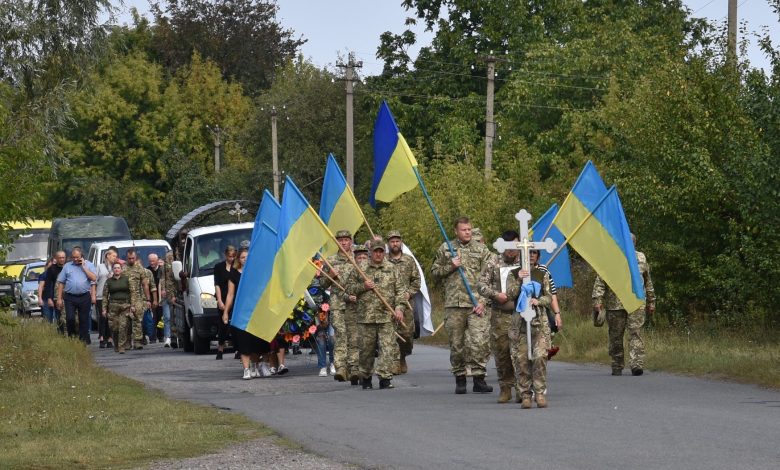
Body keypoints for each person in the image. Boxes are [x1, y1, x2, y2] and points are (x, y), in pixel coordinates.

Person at [431, 217, 493, 394]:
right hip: (455, 304)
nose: (468, 232)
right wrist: (450, 266)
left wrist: (483, 301)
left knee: (479, 342)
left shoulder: (481, 249)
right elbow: (435, 273)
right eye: (464, 229)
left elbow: (491, 276)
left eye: (469, 229)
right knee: (457, 344)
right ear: (456, 231)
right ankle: (460, 378)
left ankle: (479, 378)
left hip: (476, 303)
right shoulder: (446, 248)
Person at [345, 238, 406, 390]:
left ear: (384, 253)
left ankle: (385, 377)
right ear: (371, 253)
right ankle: (365, 377)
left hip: (386, 316)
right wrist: (363, 286)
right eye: (375, 251)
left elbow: (400, 292)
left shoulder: (392, 269)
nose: (378, 254)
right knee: (366, 350)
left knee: (387, 348)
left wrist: (399, 308)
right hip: (366, 317)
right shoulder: (361, 268)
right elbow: (348, 288)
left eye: (381, 251)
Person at [592, 233, 656, 376]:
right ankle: (617, 363)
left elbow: (647, 280)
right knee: (615, 336)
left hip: (636, 302)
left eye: (631, 242)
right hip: (616, 304)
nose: (629, 244)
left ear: (634, 243)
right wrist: (598, 301)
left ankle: (636, 364)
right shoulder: (610, 257)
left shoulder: (641, 258)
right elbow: (600, 281)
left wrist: (651, 301)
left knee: (635, 333)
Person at [477, 230, 520, 403]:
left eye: (514, 246)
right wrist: (495, 295)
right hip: (500, 315)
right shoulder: (493, 262)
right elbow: (480, 284)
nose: (511, 251)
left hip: (521, 314)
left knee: (520, 353)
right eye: (508, 246)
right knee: (502, 353)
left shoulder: (524, 261)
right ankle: (505, 387)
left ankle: (523, 388)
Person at [509, 259, 553, 409]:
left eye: (534, 252)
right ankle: (525, 394)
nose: (530, 255)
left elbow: (549, 297)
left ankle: (539, 393)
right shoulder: (513, 273)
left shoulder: (542, 274)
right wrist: (518, 279)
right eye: (528, 253)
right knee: (521, 360)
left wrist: (538, 300)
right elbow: (510, 294)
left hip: (539, 323)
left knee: (540, 356)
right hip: (520, 324)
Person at [319, 230, 359, 384]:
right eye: (340, 240)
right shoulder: (331, 260)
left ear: (351, 241)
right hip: (338, 304)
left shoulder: (358, 258)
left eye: (346, 240)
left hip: (355, 304)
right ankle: (341, 368)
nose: (343, 243)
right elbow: (322, 284)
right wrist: (331, 274)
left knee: (354, 337)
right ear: (337, 242)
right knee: (340, 336)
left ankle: (355, 368)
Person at [223, 247, 270, 380]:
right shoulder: (234, 274)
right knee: (243, 341)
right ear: (239, 259)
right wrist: (226, 312)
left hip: (256, 310)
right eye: (243, 257)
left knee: (257, 340)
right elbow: (230, 294)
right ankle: (246, 369)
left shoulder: (257, 272)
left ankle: (259, 365)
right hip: (240, 312)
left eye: (248, 257)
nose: (245, 259)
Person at [386, 230, 421, 375]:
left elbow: (416, 280)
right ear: (388, 243)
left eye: (397, 241)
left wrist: (409, 293)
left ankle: (402, 356)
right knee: (390, 334)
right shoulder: (383, 260)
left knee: (406, 335)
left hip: (406, 304)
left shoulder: (408, 260)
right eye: (392, 241)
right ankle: (394, 362)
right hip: (388, 303)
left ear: (401, 242)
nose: (395, 244)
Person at [55, 247, 97, 344]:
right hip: (70, 297)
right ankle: (72, 337)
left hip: (84, 296)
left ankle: (83, 340)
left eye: (77, 257)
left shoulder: (89, 265)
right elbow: (61, 282)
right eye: (73, 257)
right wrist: (59, 298)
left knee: (83, 319)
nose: (75, 259)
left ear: (81, 256)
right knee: (70, 318)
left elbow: (94, 278)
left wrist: (84, 267)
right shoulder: (67, 266)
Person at [102, 262, 135, 354]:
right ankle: (116, 345)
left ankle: (121, 346)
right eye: (115, 268)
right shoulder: (108, 281)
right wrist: (104, 309)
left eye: (118, 268)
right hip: (113, 306)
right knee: (114, 328)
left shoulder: (126, 279)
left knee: (123, 326)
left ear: (121, 269)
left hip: (125, 305)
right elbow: (105, 296)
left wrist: (132, 305)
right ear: (113, 270)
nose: (117, 269)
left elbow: (133, 293)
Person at [124, 248, 152, 350]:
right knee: (126, 321)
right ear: (126, 258)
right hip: (125, 299)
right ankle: (127, 342)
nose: (131, 260)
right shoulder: (123, 268)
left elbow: (145, 284)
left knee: (137, 320)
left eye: (133, 258)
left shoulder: (140, 268)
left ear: (136, 258)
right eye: (129, 258)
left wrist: (148, 299)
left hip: (137, 298)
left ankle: (137, 341)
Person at [213, 245, 237, 360]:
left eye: (233, 256)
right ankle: (220, 349)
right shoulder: (218, 267)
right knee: (223, 325)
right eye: (229, 256)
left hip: (235, 299)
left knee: (235, 326)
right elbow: (217, 285)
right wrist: (219, 300)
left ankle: (238, 349)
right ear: (225, 255)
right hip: (223, 297)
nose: (231, 258)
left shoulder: (237, 267)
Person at [95, 249, 118, 349]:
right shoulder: (100, 267)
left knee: (110, 318)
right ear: (107, 256)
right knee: (102, 317)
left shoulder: (116, 267)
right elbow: (94, 281)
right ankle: (102, 338)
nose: (115, 258)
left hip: (112, 296)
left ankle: (110, 338)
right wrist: (93, 295)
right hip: (100, 296)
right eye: (113, 256)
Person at [158, 251, 178, 348]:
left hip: (176, 293)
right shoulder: (164, 266)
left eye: (171, 257)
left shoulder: (179, 265)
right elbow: (162, 278)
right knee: (167, 317)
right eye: (168, 257)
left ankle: (176, 337)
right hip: (167, 294)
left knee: (175, 317)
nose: (169, 258)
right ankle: (168, 337)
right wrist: (163, 289)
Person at [42, 251, 65, 329]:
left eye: (63, 257)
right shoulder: (51, 269)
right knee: (59, 317)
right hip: (56, 296)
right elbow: (48, 284)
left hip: (68, 296)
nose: (62, 259)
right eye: (60, 258)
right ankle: (60, 334)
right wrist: (49, 298)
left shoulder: (68, 267)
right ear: (56, 258)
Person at [146, 253, 162, 343]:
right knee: (152, 318)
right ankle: (152, 337)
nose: (152, 263)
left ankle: (161, 335)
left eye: (153, 261)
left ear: (157, 260)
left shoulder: (162, 270)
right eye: (150, 261)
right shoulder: (147, 271)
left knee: (161, 317)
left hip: (161, 297)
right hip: (151, 298)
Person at [37, 258, 53, 324]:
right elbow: (40, 287)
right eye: (51, 263)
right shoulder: (44, 275)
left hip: (55, 298)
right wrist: (40, 298)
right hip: (46, 299)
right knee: (47, 318)